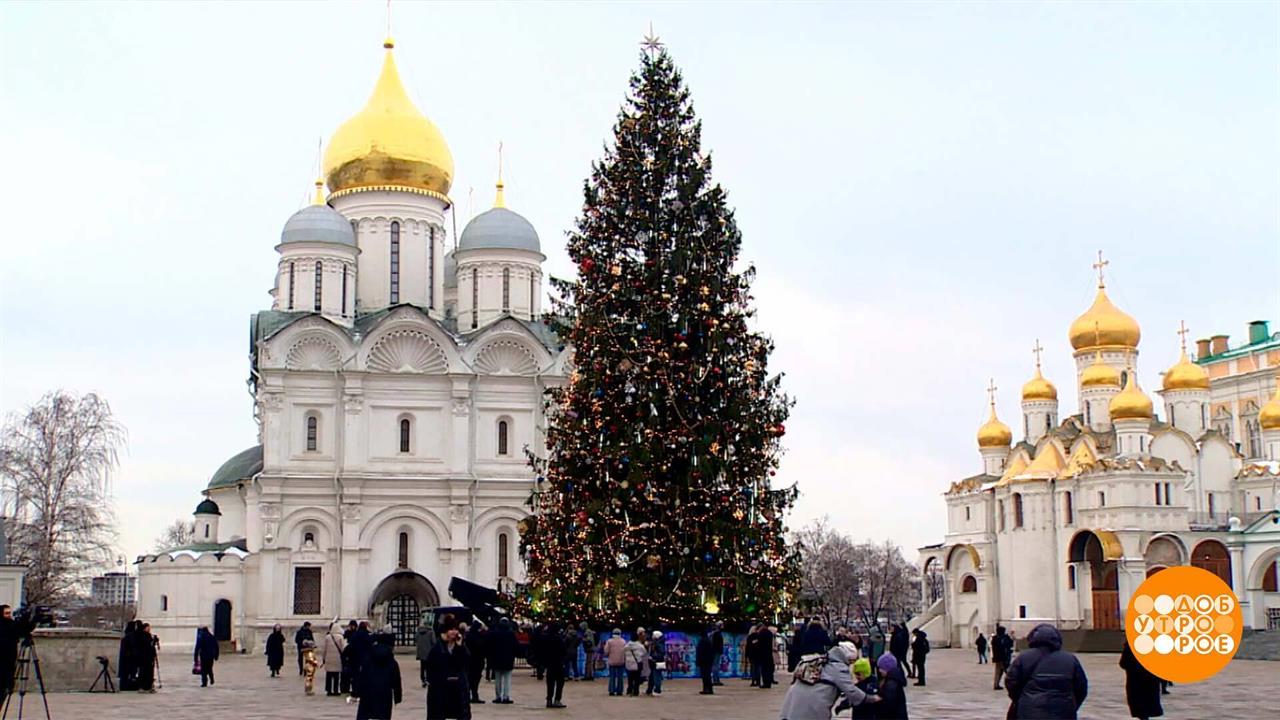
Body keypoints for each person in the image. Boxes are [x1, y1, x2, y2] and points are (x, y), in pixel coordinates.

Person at [1004, 624, 1088, 720]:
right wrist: (1070, 704)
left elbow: (1011, 682)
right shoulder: (1070, 659)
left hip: (1030, 710)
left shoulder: (1023, 657)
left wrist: (1023, 698)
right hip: (1062, 710)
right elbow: (1081, 688)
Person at [777, 641, 878, 720]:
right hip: (813, 707)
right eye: (851, 662)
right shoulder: (839, 667)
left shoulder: (821, 660)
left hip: (792, 702)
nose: (850, 665)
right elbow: (851, 691)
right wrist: (869, 698)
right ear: (847, 658)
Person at [426, 615, 471, 720]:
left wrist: (460, 647)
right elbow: (432, 667)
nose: (454, 632)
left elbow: (464, 663)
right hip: (441, 687)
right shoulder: (438, 647)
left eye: (456, 629)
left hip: (457, 688)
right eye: (451, 629)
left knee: (459, 713)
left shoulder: (460, 647)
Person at [356, 631, 402, 720]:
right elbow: (396, 681)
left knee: (365, 714)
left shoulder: (369, 658)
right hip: (384, 694)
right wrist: (397, 697)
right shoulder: (392, 662)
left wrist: (358, 692)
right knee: (383, 715)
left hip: (368, 693)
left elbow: (362, 676)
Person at [1120, 638, 1162, 720]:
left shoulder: (1131, 646)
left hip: (1136, 681)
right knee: (1147, 703)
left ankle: (1143, 717)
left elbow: (1123, 663)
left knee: (1140, 705)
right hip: (1150, 680)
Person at [488, 618, 517, 704]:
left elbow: (490, 646)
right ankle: (506, 696)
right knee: (507, 679)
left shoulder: (494, 633)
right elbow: (515, 646)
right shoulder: (511, 634)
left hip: (496, 659)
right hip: (508, 659)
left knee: (498, 679)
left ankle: (498, 696)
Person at [540, 620, 567, 708]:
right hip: (558, 662)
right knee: (560, 682)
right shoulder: (559, 638)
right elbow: (563, 650)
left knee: (550, 682)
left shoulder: (546, 638)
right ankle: (557, 699)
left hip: (549, 663)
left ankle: (549, 699)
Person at [463, 620, 487, 704]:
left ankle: (469, 695)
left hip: (470, 661)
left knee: (470, 679)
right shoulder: (478, 636)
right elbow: (482, 646)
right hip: (477, 661)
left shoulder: (469, 636)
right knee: (474, 680)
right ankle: (474, 696)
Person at [320, 622, 346, 697]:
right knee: (336, 676)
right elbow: (343, 648)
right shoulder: (340, 637)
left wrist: (323, 658)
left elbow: (324, 649)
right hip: (337, 659)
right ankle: (335, 690)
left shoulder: (327, 637)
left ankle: (328, 690)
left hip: (329, 659)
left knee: (329, 675)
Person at [0, 606, 19, 700]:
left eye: (9, 613)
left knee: (5, 689)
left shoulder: (12, 624)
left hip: (10, 661)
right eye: (6, 613)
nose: (9, 616)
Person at [623, 630, 648, 696]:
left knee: (630, 678)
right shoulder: (639, 645)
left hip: (629, 663)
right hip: (637, 663)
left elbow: (624, 652)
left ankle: (629, 690)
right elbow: (644, 653)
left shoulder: (627, 645)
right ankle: (636, 691)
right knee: (637, 678)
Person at [135, 623, 157, 692]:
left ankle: (149, 686)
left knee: (150, 672)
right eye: (148, 627)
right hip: (143, 657)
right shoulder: (141, 635)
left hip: (149, 657)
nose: (149, 629)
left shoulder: (149, 635)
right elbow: (144, 645)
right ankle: (141, 686)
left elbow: (151, 645)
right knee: (143, 672)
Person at [604, 628, 626, 696]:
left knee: (612, 676)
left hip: (612, 661)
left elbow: (606, 651)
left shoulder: (609, 641)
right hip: (621, 661)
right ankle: (620, 690)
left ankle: (612, 690)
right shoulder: (623, 641)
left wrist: (608, 655)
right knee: (620, 677)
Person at [991, 625, 1014, 691]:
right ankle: (1013, 683)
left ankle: (996, 684)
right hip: (1004, 657)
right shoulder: (1003, 638)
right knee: (1008, 671)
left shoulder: (995, 638)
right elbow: (1009, 644)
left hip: (997, 657)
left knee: (998, 672)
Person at [696, 627, 717, 695]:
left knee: (705, 676)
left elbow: (700, 652)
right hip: (708, 661)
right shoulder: (708, 641)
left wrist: (698, 661)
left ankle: (706, 689)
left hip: (703, 661)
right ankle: (709, 689)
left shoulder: (702, 641)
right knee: (707, 676)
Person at [756, 624, 777, 689]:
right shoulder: (769, 633)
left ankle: (765, 683)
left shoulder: (761, 634)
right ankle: (769, 682)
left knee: (764, 669)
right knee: (769, 668)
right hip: (769, 653)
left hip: (762, 653)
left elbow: (759, 644)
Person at [646, 630, 665, 696]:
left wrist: (653, 656)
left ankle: (657, 690)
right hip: (655, 661)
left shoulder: (658, 644)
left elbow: (661, 653)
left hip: (656, 661)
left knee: (657, 676)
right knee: (653, 676)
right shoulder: (657, 643)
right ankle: (650, 690)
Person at [711, 621, 726, 686]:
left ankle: (716, 679)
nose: (723, 626)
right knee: (715, 666)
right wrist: (719, 650)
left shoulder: (716, 633)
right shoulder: (717, 633)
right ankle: (715, 680)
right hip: (716, 651)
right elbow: (717, 644)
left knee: (716, 665)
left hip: (716, 651)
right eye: (722, 625)